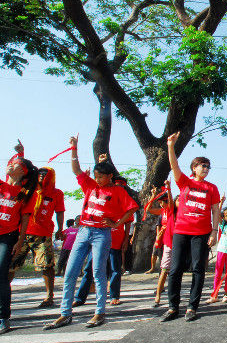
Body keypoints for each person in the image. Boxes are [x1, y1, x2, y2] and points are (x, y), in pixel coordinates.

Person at [45, 136, 138, 330]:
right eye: (95, 176)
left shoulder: (119, 192)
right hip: (83, 231)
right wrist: (74, 148)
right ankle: (65, 313)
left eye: (101, 176)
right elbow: (76, 170)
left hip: (101, 234)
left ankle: (99, 312)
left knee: (97, 272)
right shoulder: (91, 186)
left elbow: (132, 209)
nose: (97, 179)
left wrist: (117, 223)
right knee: (70, 272)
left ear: (110, 177)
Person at [162, 132, 221, 322]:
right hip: (181, 231)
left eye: (208, 167)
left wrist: (213, 231)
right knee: (175, 269)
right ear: (194, 168)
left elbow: (215, 211)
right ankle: (173, 307)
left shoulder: (212, 188)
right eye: (203, 166)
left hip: (202, 234)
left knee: (198, 269)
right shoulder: (184, 182)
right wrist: (171, 146)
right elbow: (174, 166)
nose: (206, 169)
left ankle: (192, 307)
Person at [9, 166, 65, 308]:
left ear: (51, 176)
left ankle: (49, 296)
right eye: (40, 173)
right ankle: (5, 293)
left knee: (47, 265)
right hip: (21, 233)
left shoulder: (56, 193)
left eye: (45, 173)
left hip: (42, 234)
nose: (42, 175)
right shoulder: (28, 189)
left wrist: (60, 228)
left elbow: (59, 212)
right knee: (10, 265)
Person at [0, 142, 38, 334]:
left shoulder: (25, 195)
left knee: (1, 275)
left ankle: (3, 318)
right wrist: (19, 153)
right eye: (11, 162)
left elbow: (24, 221)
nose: (11, 164)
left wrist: (20, 242)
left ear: (22, 172)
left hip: (7, 238)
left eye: (16, 163)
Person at [144, 181, 175, 308]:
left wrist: (169, 189)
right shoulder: (162, 212)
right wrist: (153, 196)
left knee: (172, 271)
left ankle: (171, 293)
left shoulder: (171, 210)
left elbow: (171, 202)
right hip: (165, 242)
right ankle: (158, 295)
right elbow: (148, 209)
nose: (161, 204)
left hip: (175, 242)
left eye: (162, 202)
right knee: (164, 269)